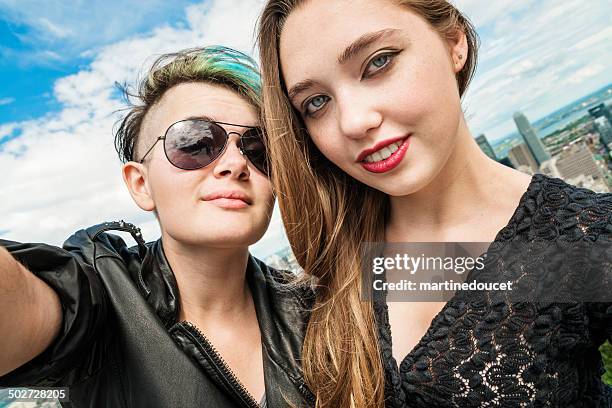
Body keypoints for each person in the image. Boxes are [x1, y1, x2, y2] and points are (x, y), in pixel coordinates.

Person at [256, 0, 612, 407]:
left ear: (453, 42)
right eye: (317, 102)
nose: (354, 122)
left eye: (378, 62)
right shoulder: (332, 267)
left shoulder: (585, 237)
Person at [0, 46, 315, 408]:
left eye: (258, 150)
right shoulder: (103, 296)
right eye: (195, 143)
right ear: (141, 184)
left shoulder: (317, 309)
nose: (235, 163)